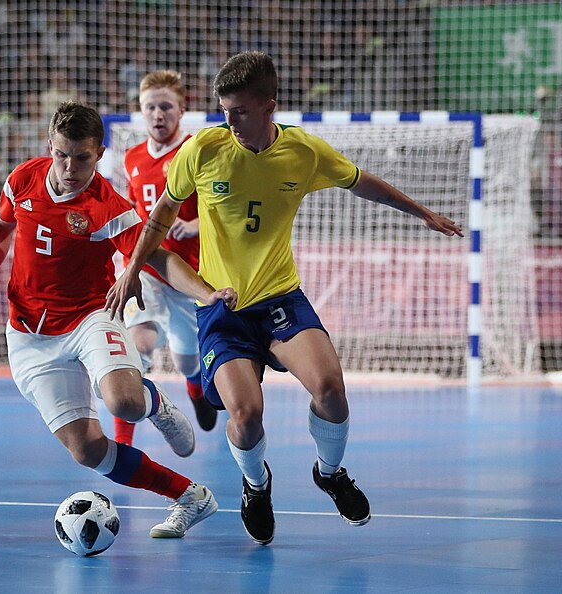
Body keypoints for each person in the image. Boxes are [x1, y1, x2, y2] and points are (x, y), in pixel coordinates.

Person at [106, 51, 464, 545]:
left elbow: (362, 184)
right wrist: (130, 275)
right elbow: (162, 217)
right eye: (223, 110)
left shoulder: (303, 152)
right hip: (223, 309)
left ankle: (329, 473)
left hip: (280, 300)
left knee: (332, 389)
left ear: (269, 106)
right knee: (247, 417)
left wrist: (421, 211)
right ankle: (256, 485)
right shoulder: (204, 149)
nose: (228, 121)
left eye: (240, 112)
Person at [0, 102, 234, 539]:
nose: (69, 167)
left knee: (123, 402)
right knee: (87, 450)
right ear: (51, 146)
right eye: (62, 154)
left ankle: (154, 403)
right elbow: (1, 229)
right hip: (29, 337)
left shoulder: (107, 206)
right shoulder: (22, 179)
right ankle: (191, 497)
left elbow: (158, 254)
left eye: (82, 157)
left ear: (100, 153)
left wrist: (207, 293)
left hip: (90, 316)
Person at [113, 70, 217, 448]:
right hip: (148, 268)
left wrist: (195, 222)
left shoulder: (196, 151)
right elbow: (131, 207)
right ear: (141, 112)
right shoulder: (131, 158)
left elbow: (222, 206)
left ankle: (195, 388)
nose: (158, 114)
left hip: (187, 273)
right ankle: (123, 442)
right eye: (150, 107)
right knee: (139, 343)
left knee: (187, 360)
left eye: (166, 107)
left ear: (182, 109)